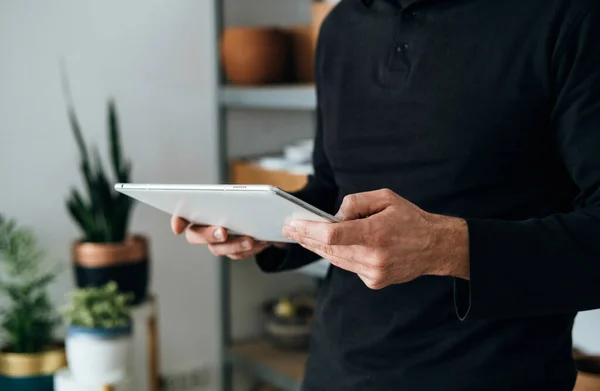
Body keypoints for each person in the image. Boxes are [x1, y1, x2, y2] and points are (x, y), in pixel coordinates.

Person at [172, 0, 600, 389]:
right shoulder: (341, 27)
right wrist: (263, 221)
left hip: (495, 375)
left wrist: (446, 247)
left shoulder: (569, 17)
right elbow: (333, 189)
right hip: (336, 370)